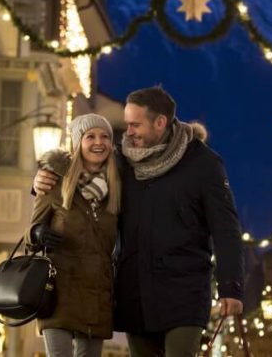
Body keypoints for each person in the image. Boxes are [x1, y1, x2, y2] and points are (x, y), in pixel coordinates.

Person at [34, 87, 244, 357]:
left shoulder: (203, 164)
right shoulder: (122, 160)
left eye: (135, 124)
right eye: (127, 123)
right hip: (136, 293)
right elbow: (80, 168)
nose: (128, 131)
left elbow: (226, 228)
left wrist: (231, 288)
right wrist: (44, 176)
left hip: (184, 292)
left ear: (160, 123)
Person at [26, 113, 120, 357]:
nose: (99, 142)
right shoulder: (55, 181)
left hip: (96, 294)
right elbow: (32, 230)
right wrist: (38, 233)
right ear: (78, 142)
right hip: (59, 292)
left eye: (105, 136)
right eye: (90, 136)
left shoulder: (118, 187)